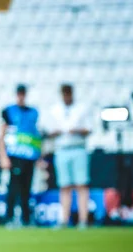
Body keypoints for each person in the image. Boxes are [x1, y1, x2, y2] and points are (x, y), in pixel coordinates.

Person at [46, 84, 92, 228]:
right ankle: (64, 219)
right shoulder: (55, 110)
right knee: (64, 186)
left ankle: (83, 220)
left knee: (81, 185)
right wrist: (58, 132)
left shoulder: (82, 109)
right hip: (62, 149)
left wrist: (76, 130)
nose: (66, 96)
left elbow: (89, 129)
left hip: (78, 148)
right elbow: (49, 131)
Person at [0, 84, 41, 227]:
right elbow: (2, 134)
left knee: (26, 189)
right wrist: (3, 156)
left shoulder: (33, 113)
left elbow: (36, 136)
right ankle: (9, 218)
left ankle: (26, 219)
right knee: (13, 188)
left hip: (29, 156)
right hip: (15, 155)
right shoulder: (9, 112)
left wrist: (39, 156)